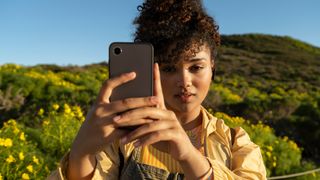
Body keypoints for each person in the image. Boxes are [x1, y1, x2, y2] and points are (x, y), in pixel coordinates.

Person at [49, 0, 267, 179]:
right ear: (151, 71)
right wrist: (80, 154)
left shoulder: (235, 141)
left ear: (212, 68)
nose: (184, 81)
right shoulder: (122, 139)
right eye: (169, 68)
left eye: (196, 67)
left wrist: (188, 156)